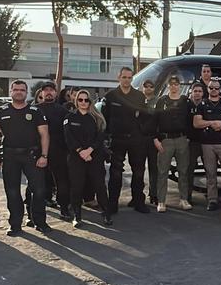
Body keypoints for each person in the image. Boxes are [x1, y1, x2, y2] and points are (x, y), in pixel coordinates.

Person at [0, 79, 51, 235]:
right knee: (12, 192)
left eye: (22, 90)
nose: (19, 92)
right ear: (10, 91)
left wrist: (44, 155)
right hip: (10, 156)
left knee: (39, 190)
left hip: (32, 155)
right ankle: (15, 224)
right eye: (16, 89)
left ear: (26, 92)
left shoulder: (35, 112)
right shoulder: (0, 112)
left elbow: (44, 135)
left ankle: (40, 222)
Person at [103, 66, 151, 215]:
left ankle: (138, 202)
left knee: (138, 172)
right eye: (124, 77)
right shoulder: (110, 96)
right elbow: (105, 119)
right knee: (116, 173)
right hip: (117, 140)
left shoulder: (139, 96)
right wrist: (107, 138)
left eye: (130, 77)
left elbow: (145, 116)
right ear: (119, 77)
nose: (127, 80)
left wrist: (141, 133)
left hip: (136, 140)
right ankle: (112, 204)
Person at [64, 89, 111, 226]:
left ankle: (106, 213)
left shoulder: (96, 117)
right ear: (76, 101)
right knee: (77, 187)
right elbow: (68, 137)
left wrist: (90, 150)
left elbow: (100, 136)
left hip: (94, 157)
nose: (83, 102)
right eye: (80, 100)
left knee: (100, 186)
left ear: (90, 102)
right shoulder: (69, 118)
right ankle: (77, 216)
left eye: (86, 100)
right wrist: (81, 151)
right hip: (76, 157)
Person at [193, 80, 221, 210]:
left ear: (220, 90)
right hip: (207, 144)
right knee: (210, 173)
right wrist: (212, 123)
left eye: (216, 88)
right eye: (211, 88)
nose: (214, 90)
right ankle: (212, 199)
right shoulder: (202, 104)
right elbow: (196, 123)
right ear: (208, 89)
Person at [153, 75, 193, 212]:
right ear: (168, 86)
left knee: (183, 171)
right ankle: (161, 201)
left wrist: (188, 138)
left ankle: (183, 199)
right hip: (166, 140)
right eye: (171, 84)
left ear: (180, 86)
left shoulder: (185, 101)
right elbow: (154, 121)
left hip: (182, 140)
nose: (174, 86)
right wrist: (156, 139)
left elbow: (191, 120)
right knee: (162, 172)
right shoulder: (161, 101)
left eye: (176, 84)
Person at [35, 81, 72, 220]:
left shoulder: (63, 111)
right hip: (38, 153)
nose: (49, 92)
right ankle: (35, 212)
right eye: (46, 90)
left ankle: (64, 209)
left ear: (56, 93)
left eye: (51, 90)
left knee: (62, 182)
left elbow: (69, 132)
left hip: (59, 152)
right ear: (42, 93)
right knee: (36, 183)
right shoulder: (34, 110)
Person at [140, 79, 161, 205]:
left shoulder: (158, 102)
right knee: (139, 169)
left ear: (154, 88)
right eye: (146, 86)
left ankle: (154, 194)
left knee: (154, 169)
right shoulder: (138, 101)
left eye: (151, 86)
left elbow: (160, 121)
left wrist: (157, 138)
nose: (148, 88)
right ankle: (139, 195)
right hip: (140, 139)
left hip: (153, 139)